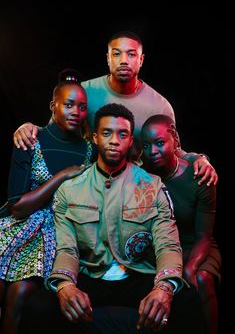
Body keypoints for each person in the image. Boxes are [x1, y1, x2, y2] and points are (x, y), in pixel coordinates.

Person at [19, 104, 205, 334]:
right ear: (95, 137)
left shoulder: (152, 185)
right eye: (107, 133)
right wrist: (65, 286)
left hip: (138, 274)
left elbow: (167, 245)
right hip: (91, 276)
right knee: (38, 307)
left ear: (130, 141)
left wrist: (164, 289)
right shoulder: (70, 189)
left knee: (189, 303)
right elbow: (67, 249)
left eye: (123, 134)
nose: (115, 140)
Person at [13, 30, 217, 186]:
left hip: (132, 184)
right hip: (83, 179)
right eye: (117, 54)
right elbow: (54, 131)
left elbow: (174, 150)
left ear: (141, 59)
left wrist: (200, 158)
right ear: (108, 58)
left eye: (131, 54)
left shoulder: (159, 106)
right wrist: (28, 127)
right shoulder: (84, 93)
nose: (123, 61)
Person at [0, 71, 97, 334]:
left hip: (61, 232)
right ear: (53, 105)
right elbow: (17, 207)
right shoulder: (30, 140)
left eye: (82, 107)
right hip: (20, 228)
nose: (76, 111)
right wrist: (62, 176)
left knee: (19, 292)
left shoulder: (91, 149)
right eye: (68, 105)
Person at [140, 114, 221, 334]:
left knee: (201, 279)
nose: (152, 151)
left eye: (159, 143)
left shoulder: (199, 176)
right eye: (146, 146)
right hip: (161, 247)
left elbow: (204, 235)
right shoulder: (142, 176)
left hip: (195, 244)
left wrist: (189, 268)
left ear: (174, 138)